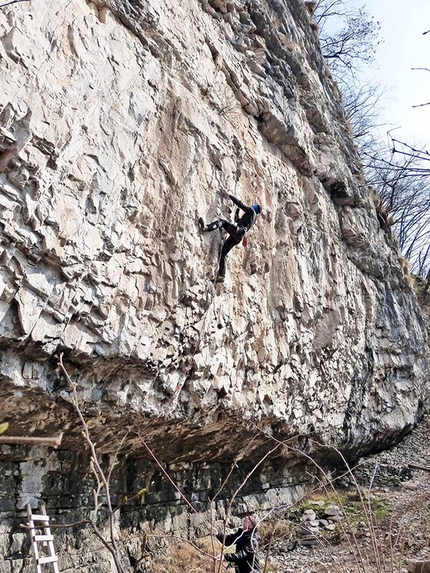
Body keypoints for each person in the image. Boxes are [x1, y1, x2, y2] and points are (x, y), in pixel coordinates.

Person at [199, 190, 261, 283]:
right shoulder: (253, 219)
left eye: (254, 206)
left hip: (237, 232)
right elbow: (239, 221)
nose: (252, 206)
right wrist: (236, 213)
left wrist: (229, 196)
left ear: (255, 207)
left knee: (222, 222)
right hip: (238, 237)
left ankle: (207, 228)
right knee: (223, 253)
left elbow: (240, 204)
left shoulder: (252, 211)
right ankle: (221, 275)